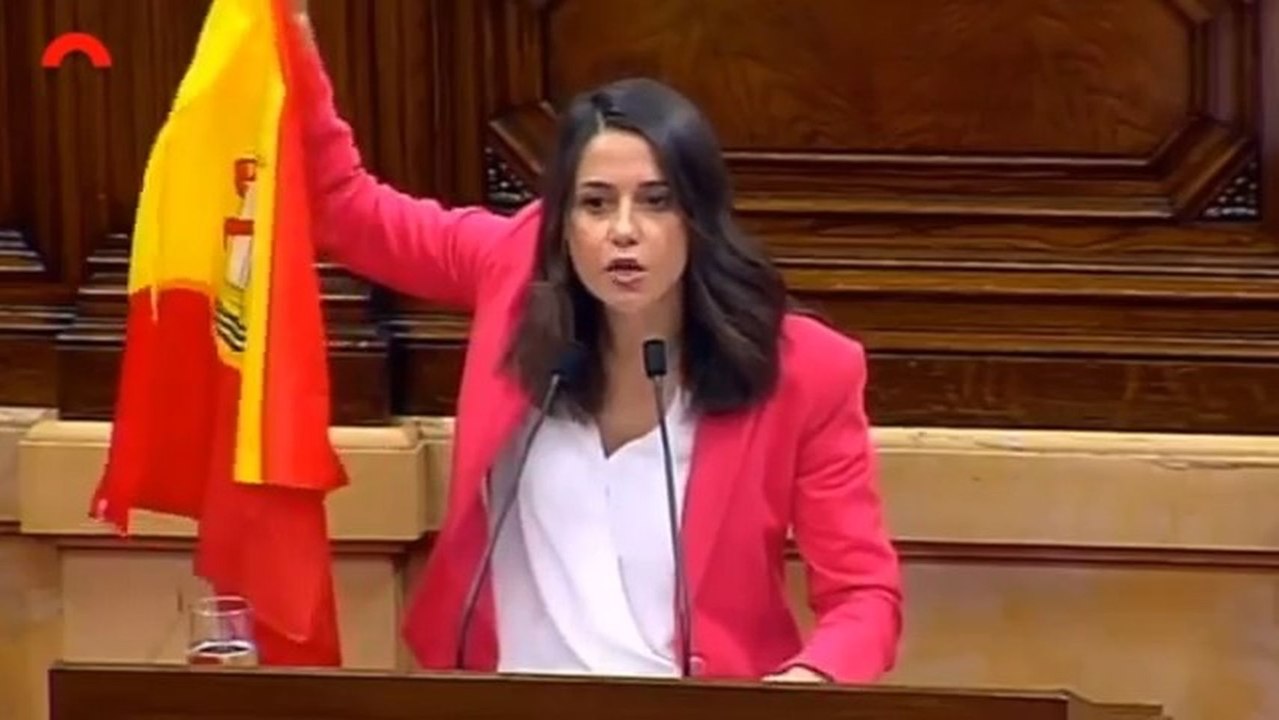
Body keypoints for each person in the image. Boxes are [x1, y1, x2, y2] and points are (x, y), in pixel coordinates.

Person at [288, 6, 901, 683]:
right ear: (562, 222)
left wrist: (802, 686)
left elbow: (862, 597)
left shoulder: (804, 369)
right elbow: (341, 206)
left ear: (698, 217)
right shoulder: (512, 270)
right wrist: (289, 37)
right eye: (596, 203)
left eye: (656, 200)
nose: (624, 231)